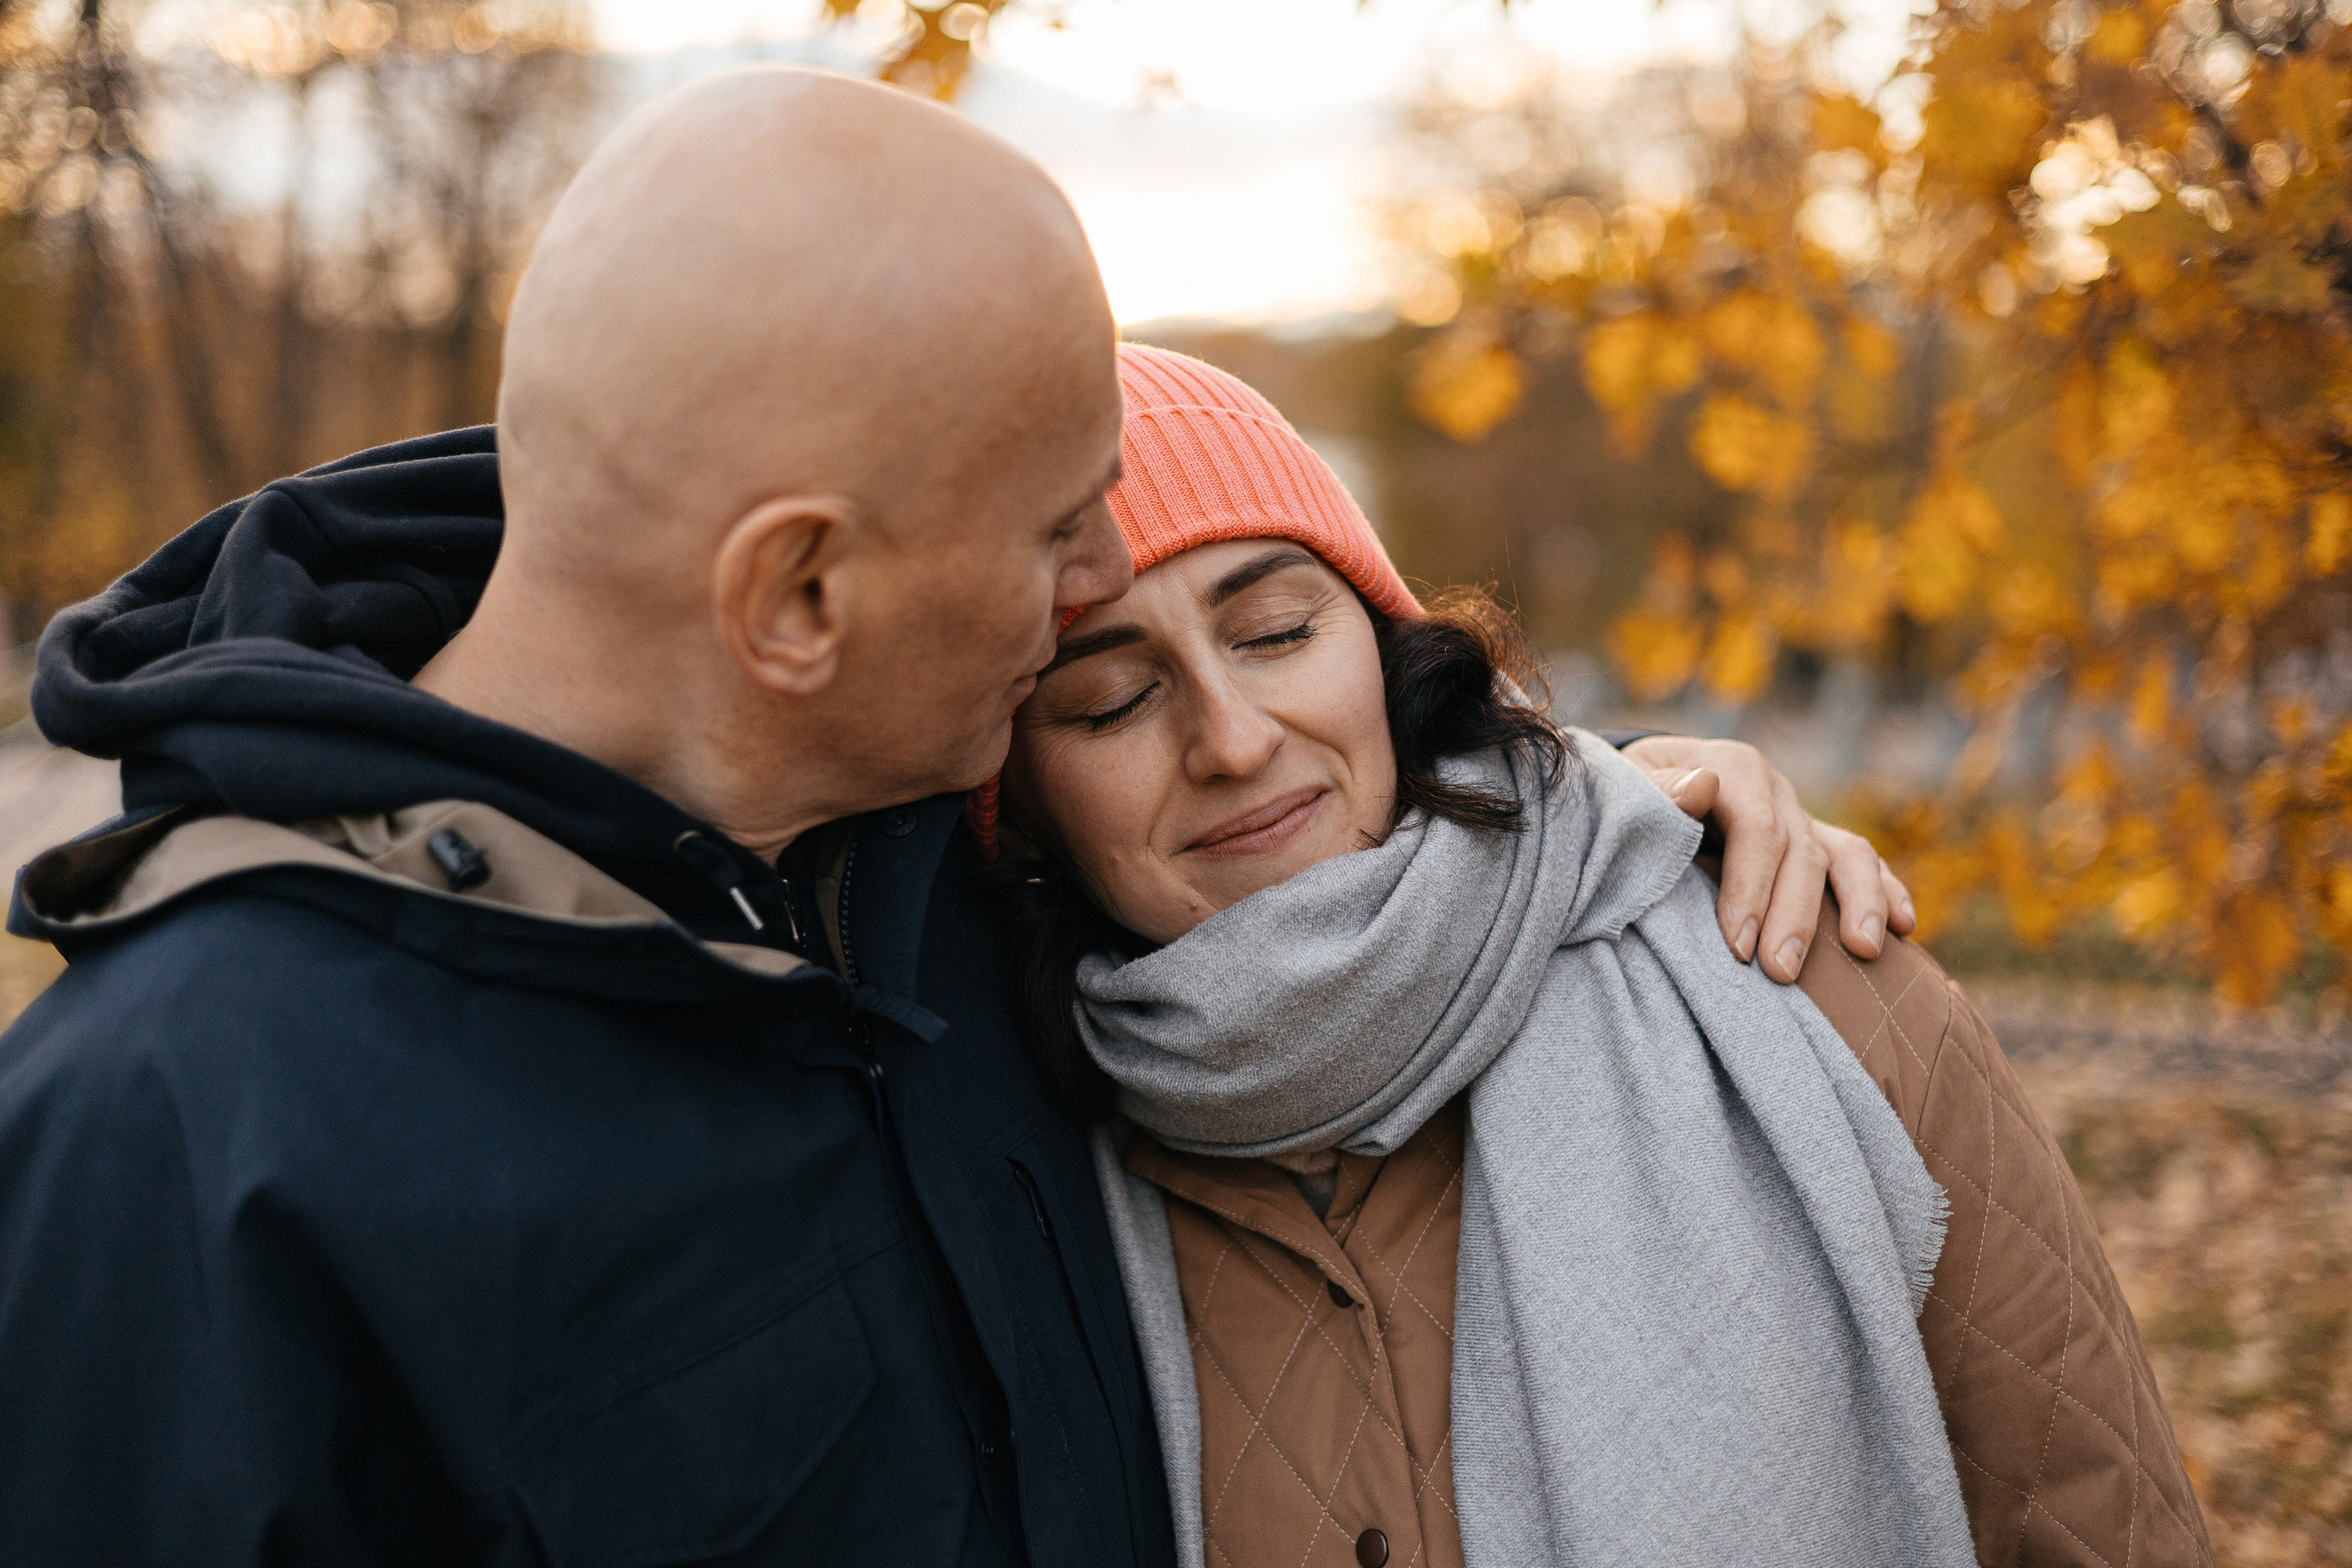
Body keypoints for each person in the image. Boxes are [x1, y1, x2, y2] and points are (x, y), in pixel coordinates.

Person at [2, 68, 1913, 1568]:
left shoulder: (940, 867)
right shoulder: (175, 1150)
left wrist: (1593, 824)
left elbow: (1328, 899)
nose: (1101, 569)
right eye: (1054, 529)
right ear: (799, 602)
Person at [988, 345, 2215, 1568]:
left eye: (1273, 631)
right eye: (1109, 703)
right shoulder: (1000, 1179)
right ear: (1019, 794)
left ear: (1379, 645)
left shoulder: (1808, 978)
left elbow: (2096, 1521)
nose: (1234, 740)